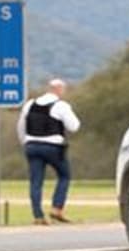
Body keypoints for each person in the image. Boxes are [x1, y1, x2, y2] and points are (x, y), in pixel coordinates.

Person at [17, 78, 81, 225]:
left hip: (31, 146)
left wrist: (25, 142)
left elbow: (21, 126)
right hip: (53, 146)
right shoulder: (61, 106)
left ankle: (38, 215)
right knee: (64, 176)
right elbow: (74, 126)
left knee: (36, 181)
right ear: (59, 89)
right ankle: (56, 208)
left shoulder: (30, 105)